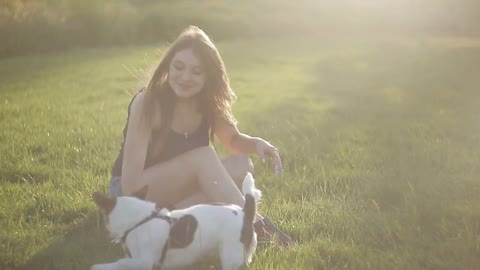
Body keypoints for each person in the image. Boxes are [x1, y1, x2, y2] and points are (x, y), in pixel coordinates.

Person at [108, 25, 293, 246]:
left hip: (174, 191)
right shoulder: (148, 103)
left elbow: (233, 141)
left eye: (197, 71)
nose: (185, 77)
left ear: (209, 76)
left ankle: (166, 222)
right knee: (204, 157)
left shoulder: (208, 102)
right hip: (131, 195)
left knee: (242, 166)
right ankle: (254, 227)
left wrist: (258, 144)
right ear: (168, 66)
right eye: (179, 67)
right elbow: (130, 185)